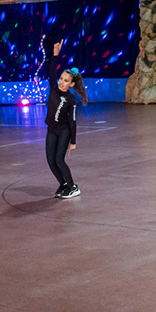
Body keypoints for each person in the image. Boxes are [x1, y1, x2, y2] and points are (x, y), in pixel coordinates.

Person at [43, 41, 87, 199]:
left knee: (59, 160)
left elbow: (72, 121)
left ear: (72, 84)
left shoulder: (70, 99)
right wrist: (55, 55)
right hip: (51, 130)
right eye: (61, 78)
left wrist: (73, 141)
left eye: (66, 80)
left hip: (64, 132)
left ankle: (73, 187)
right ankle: (63, 184)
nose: (62, 82)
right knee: (51, 161)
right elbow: (51, 72)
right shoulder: (54, 89)